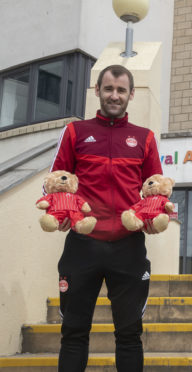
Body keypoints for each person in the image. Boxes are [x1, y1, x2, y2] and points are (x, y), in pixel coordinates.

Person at [48, 64, 163, 372]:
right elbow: (57, 179)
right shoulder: (75, 132)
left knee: (129, 335)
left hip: (128, 247)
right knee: (73, 333)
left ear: (131, 95)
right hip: (82, 244)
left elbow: (156, 190)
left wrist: (154, 217)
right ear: (97, 91)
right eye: (109, 89)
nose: (115, 95)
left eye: (121, 90)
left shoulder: (145, 138)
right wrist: (58, 210)